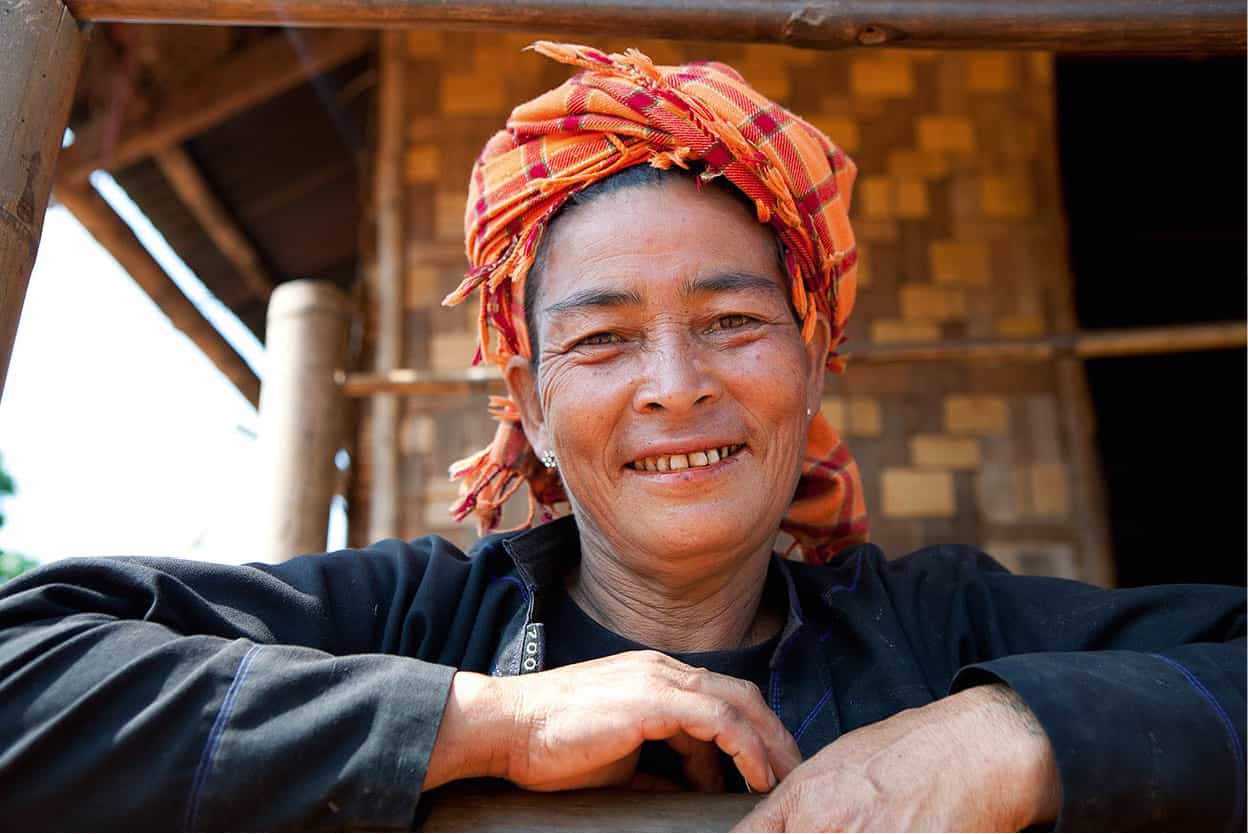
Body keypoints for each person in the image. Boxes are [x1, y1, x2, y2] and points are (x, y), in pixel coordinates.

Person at [0, 43, 1243, 831]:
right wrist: (482, 724)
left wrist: (1011, 733)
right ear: (530, 405)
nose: (673, 385)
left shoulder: (943, 631)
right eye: (600, 342)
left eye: (732, 320)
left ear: (814, 364)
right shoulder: (414, 621)